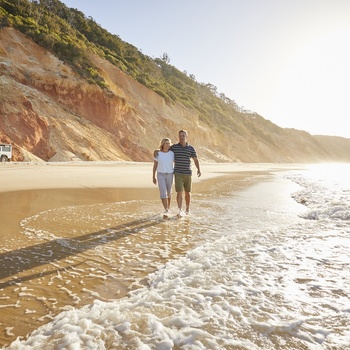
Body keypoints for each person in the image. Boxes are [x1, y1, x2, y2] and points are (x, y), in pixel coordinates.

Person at [171, 129, 201, 217]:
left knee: (188, 192)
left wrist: (199, 169)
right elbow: (165, 149)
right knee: (179, 192)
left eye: (183, 135)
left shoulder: (191, 148)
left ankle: (187, 209)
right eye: (180, 135)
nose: (181, 137)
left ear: (186, 136)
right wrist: (157, 152)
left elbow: (195, 159)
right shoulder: (174, 147)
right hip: (178, 173)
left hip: (188, 173)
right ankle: (180, 210)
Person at [152, 138, 174, 218]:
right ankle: (166, 210)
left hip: (170, 174)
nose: (167, 145)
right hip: (160, 174)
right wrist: (153, 176)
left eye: (169, 143)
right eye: (166, 143)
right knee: (163, 192)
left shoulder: (172, 153)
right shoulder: (158, 154)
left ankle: (168, 207)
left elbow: (176, 162)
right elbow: (155, 166)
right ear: (162, 144)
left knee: (169, 192)